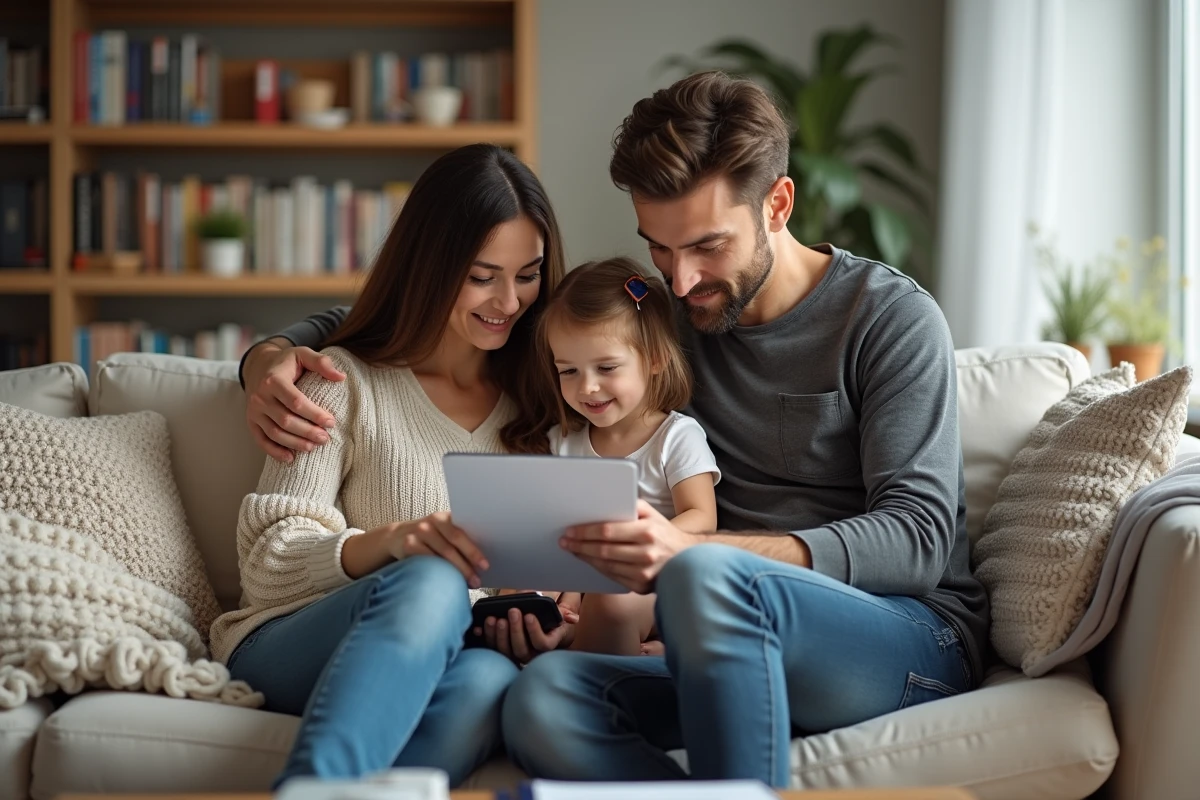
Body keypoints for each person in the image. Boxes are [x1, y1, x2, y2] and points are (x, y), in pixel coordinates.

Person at [239, 71, 989, 788]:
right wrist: (269, 354)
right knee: (545, 697)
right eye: (660, 249)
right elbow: (414, 318)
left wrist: (692, 553)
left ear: (778, 204)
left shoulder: (889, 320)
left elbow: (917, 539)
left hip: (899, 636)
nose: (683, 278)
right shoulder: (669, 322)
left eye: (706, 246)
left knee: (702, 575)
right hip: (716, 633)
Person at [211, 143, 570, 788]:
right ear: (430, 267)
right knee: (430, 579)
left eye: (527, 274)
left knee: (491, 678)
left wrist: (538, 625)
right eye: (482, 276)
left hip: (449, 654)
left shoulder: (545, 408)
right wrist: (393, 545)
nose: (509, 301)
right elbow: (268, 564)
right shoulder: (340, 381)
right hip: (287, 641)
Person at [536, 257, 720, 656]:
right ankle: (556, 636)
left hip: (651, 580)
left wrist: (627, 537)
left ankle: (595, 661)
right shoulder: (563, 441)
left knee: (612, 600)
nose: (588, 387)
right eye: (568, 371)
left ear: (655, 359)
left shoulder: (675, 437)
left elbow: (703, 518)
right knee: (526, 584)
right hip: (579, 572)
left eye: (606, 367)